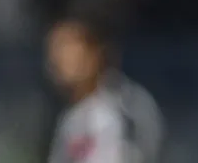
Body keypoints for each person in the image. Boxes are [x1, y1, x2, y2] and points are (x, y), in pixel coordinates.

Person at [45, 11, 163, 163]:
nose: (57, 57)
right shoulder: (72, 116)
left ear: (94, 51)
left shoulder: (123, 107)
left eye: (66, 45)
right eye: (53, 48)